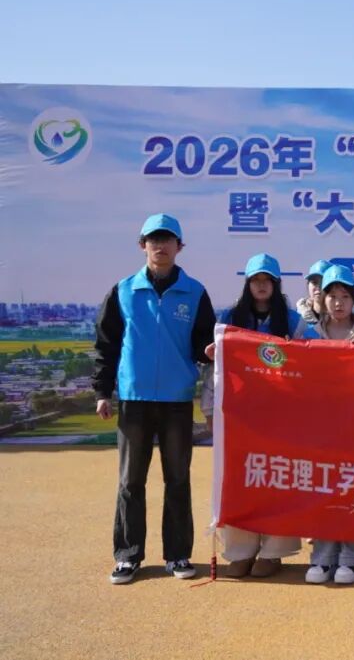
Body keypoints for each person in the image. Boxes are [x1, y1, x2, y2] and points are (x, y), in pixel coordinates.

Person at [93, 213, 216, 585]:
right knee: (131, 481)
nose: (160, 246)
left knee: (177, 479)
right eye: (153, 239)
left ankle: (177, 554)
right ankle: (127, 556)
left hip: (177, 400)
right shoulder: (123, 291)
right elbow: (107, 345)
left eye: (167, 239)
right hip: (135, 398)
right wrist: (102, 392)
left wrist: (209, 350)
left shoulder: (195, 292)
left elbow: (203, 340)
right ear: (142, 245)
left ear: (179, 247)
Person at [213, 253, 310, 579]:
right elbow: (215, 365)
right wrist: (211, 408)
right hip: (241, 415)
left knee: (277, 478)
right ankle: (240, 552)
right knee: (241, 479)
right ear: (247, 283)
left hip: (282, 416)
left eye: (267, 280)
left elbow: (317, 355)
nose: (261, 285)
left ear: (276, 284)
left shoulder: (294, 321)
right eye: (256, 280)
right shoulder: (230, 318)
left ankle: (273, 552)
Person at [305, 264, 354, 585]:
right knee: (322, 488)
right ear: (322, 299)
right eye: (332, 296)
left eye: (345, 296)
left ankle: (353, 558)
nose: (338, 303)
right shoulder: (308, 334)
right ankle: (322, 557)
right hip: (320, 426)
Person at [297, 259, 332, 324]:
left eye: (323, 282)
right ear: (308, 285)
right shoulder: (297, 319)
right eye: (314, 282)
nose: (318, 287)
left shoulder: (344, 319)